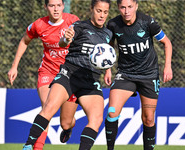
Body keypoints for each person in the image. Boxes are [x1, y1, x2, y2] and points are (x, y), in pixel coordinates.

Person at [21, 0, 112, 149]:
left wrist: (108, 69)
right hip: (69, 75)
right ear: (91, 9)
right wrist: (66, 38)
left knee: (93, 119)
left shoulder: (109, 33)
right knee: (49, 107)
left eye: (105, 12)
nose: (102, 15)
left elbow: (107, 54)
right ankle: (29, 145)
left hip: (90, 81)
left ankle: (69, 130)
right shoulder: (78, 26)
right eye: (98, 11)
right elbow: (63, 42)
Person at [8, 0, 79, 149]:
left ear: (63, 6)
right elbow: (24, 41)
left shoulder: (73, 21)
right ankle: (36, 146)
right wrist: (14, 66)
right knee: (46, 109)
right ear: (45, 7)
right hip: (48, 71)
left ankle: (68, 128)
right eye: (52, 6)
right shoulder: (39, 24)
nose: (55, 9)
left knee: (66, 122)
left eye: (58, 5)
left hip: (69, 75)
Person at [104, 0, 173, 150]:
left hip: (148, 76)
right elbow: (109, 47)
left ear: (136, 6)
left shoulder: (148, 22)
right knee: (112, 112)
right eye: (123, 7)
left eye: (130, 7)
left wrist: (167, 66)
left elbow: (167, 43)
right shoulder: (113, 24)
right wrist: (108, 69)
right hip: (125, 75)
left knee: (148, 119)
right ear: (118, 8)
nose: (126, 11)